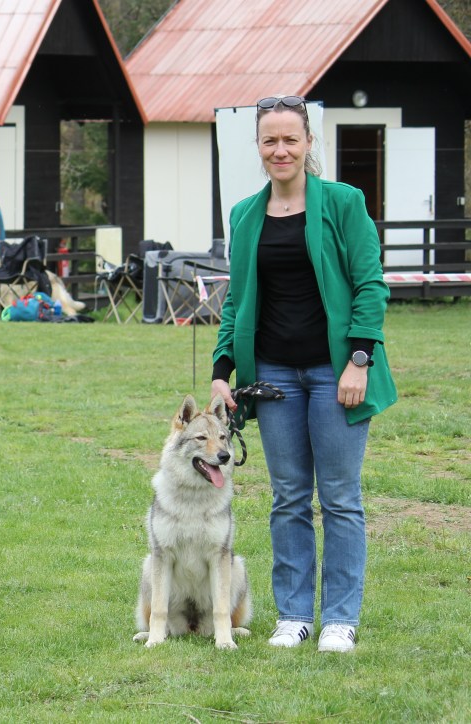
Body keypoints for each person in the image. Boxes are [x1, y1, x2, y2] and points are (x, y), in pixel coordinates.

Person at [211, 95, 396, 654]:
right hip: (273, 376)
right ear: (259, 147)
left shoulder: (343, 203)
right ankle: (294, 615)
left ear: (309, 144)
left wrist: (359, 360)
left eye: (291, 139)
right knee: (288, 497)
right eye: (270, 140)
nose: (281, 149)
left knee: (339, 498)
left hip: (336, 372)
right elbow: (236, 302)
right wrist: (222, 371)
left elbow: (370, 286)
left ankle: (339, 617)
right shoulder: (245, 214)